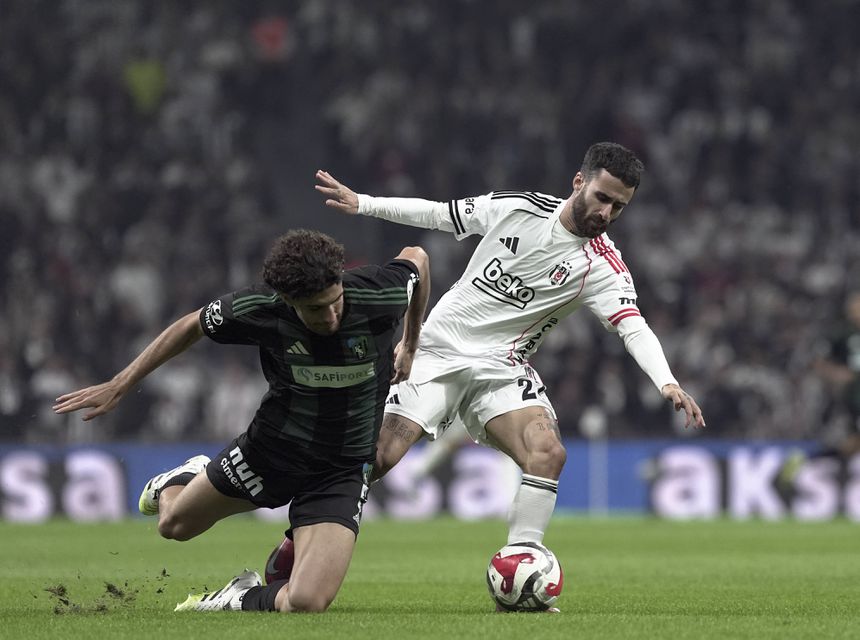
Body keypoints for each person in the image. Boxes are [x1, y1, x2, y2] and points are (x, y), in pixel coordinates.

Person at [313, 142, 706, 557]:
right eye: (602, 198)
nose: (606, 214)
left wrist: (667, 382)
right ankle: (296, 541)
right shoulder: (520, 208)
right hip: (438, 350)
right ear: (579, 182)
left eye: (618, 207)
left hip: (502, 368)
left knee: (548, 454)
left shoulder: (603, 266)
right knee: (379, 457)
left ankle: (522, 561)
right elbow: (440, 214)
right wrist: (364, 203)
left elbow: (634, 327)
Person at [54, 229, 430, 614]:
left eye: (335, 301)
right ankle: (181, 477)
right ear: (288, 301)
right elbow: (192, 325)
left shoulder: (380, 293)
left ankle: (237, 596)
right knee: (173, 525)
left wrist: (411, 343)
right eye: (316, 309)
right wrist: (120, 384)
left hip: (341, 469)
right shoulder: (261, 308)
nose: (331, 316)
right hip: (272, 453)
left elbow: (417, 257)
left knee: (306, 601)